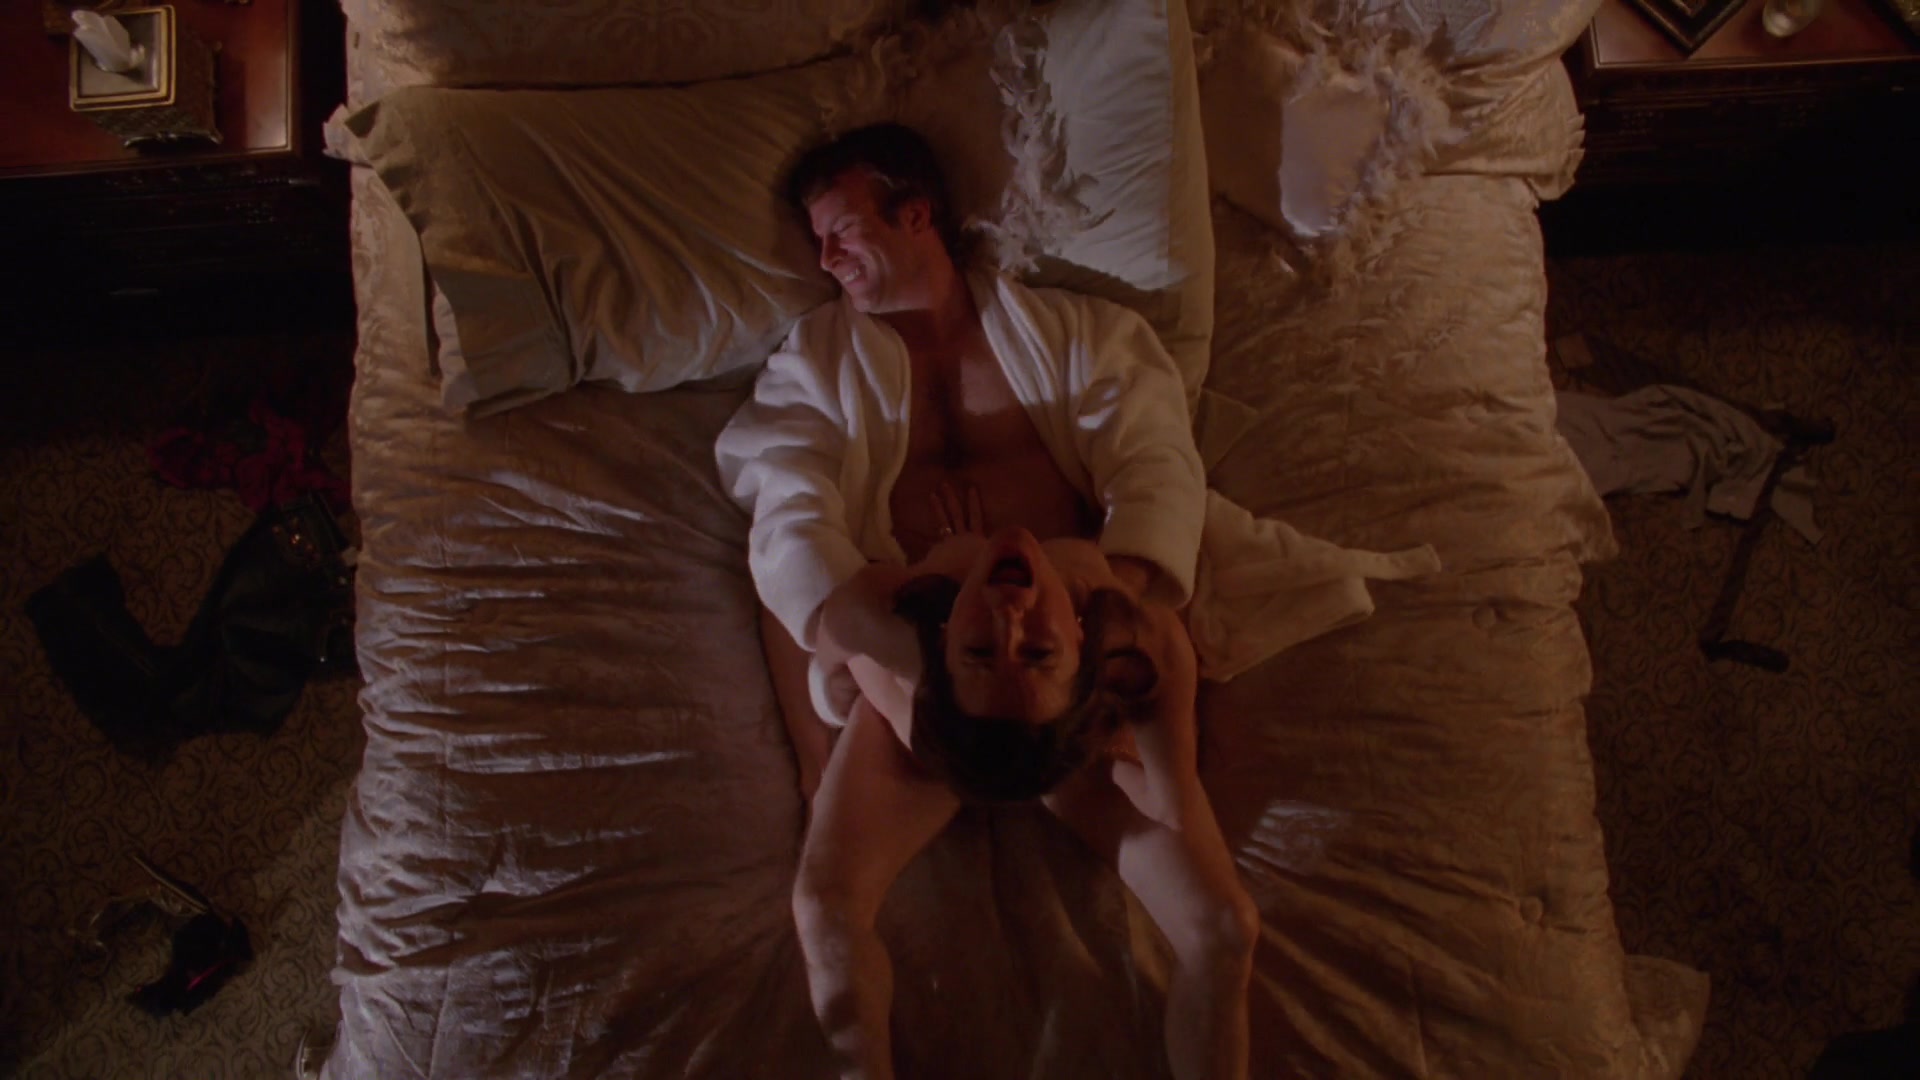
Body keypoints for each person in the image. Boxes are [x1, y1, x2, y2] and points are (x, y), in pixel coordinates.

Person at [715, 123, 1256, 1080]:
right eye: (818, 242)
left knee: (1223, 928)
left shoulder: (1072, 335)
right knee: (826, 910)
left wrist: (1101, 584)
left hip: (1067, 664)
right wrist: (895, 635)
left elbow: (1154, 454)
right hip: (924, 671)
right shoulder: (817, 360)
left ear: (916, 213)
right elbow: (786, 498)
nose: (825, 260)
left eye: (842, 232)